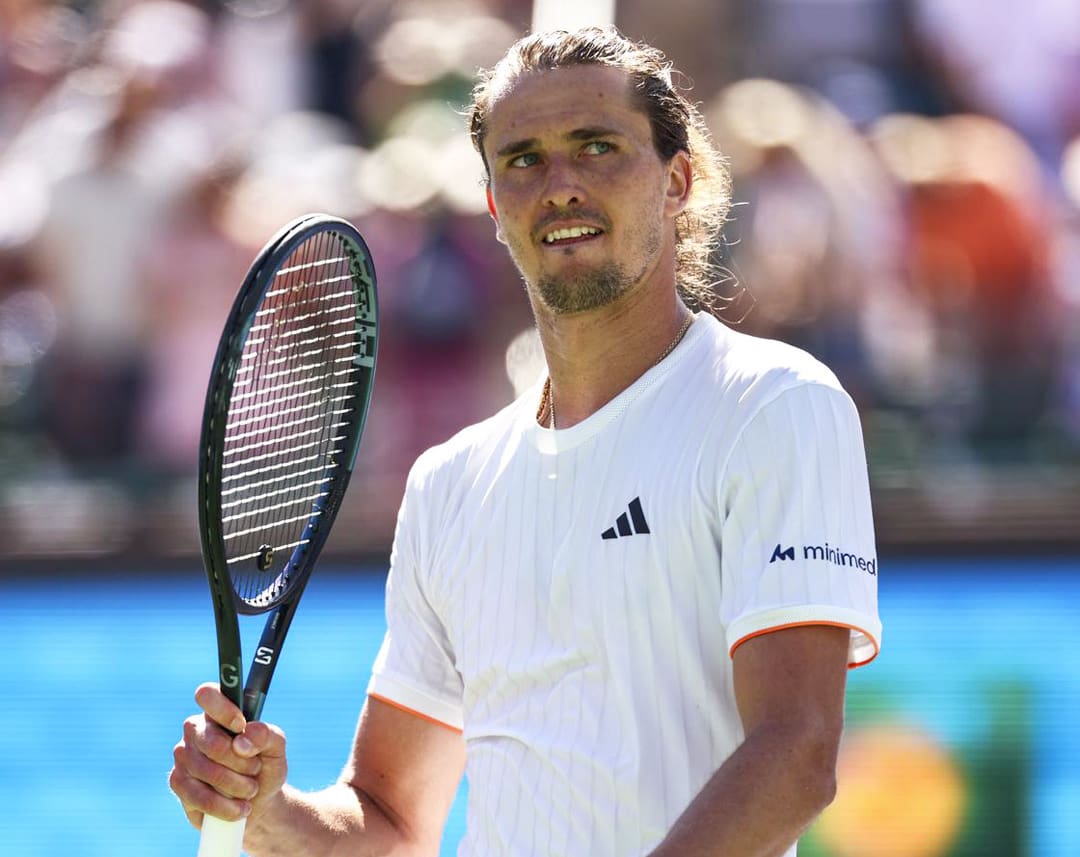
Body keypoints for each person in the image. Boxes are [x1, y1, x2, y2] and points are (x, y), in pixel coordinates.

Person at [169, 27, 881, 857]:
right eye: (524, 160)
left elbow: (795, 755)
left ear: (677, 180)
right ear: (496, 208)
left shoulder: (774, 405)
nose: (562, 184)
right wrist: (267, 810)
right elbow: (392, 820)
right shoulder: (449, 485)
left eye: (598, 147)